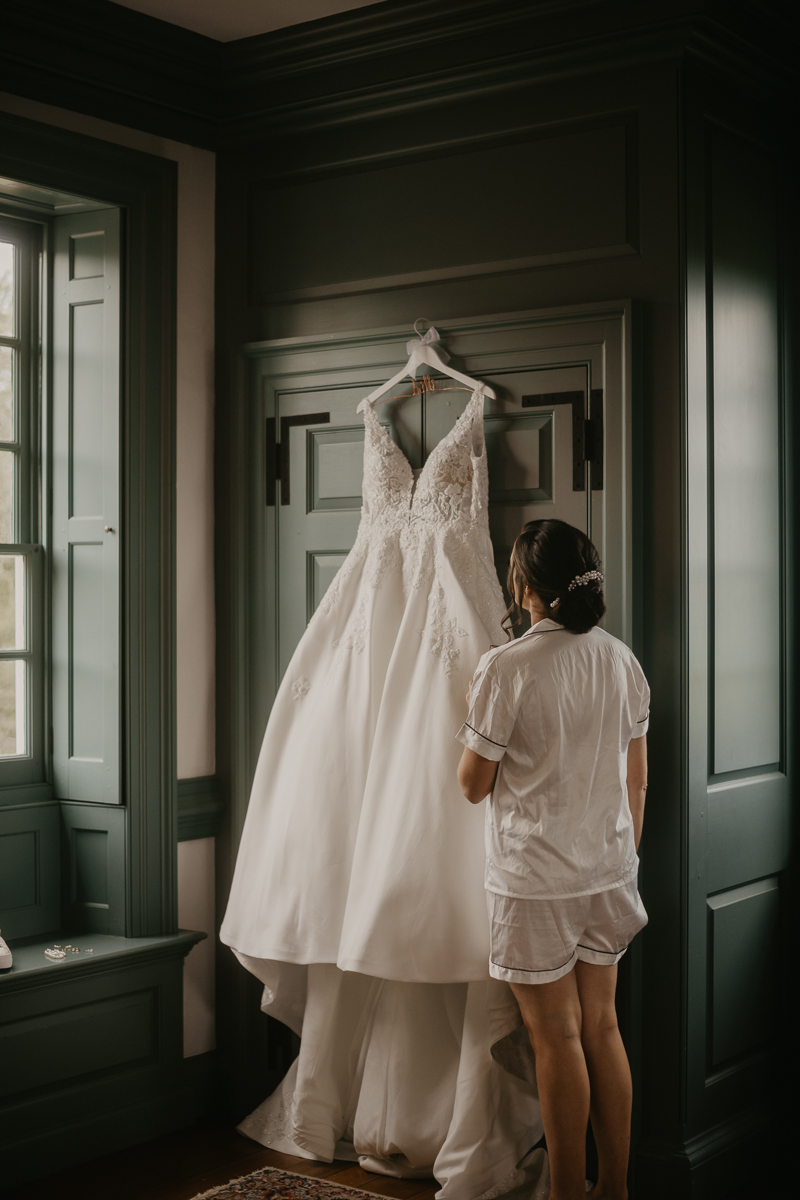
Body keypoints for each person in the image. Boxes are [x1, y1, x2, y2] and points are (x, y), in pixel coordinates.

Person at [456, 518, 649, 1200]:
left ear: (525, 583)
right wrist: (617, 856)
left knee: (558, 1037)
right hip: (608, 871)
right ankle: (615, 1189)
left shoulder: (504, 667)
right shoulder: (620, 659)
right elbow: (637, 779)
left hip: (534, 879)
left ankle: (569, 1194)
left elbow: (474, 785)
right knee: (603, 1025)